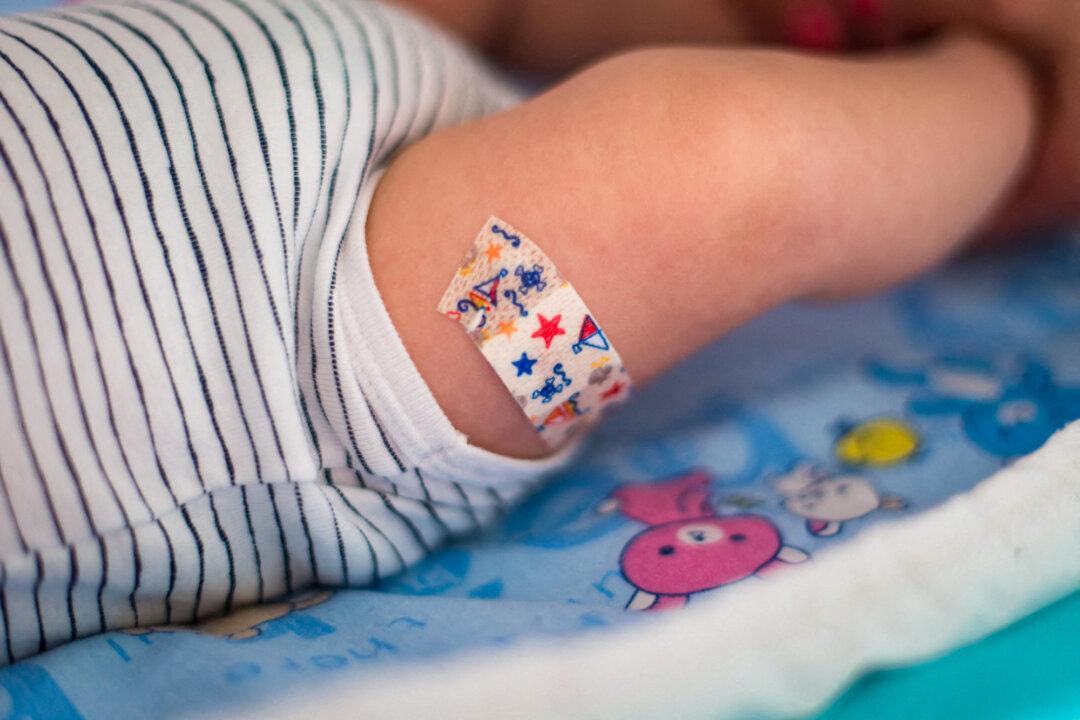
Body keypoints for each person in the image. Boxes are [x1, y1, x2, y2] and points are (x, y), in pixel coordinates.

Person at [0, 0, 1041, 663]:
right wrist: (1011, 87)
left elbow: (739, 174)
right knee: (718, 172)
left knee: (718, 172)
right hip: (260, 277)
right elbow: (736, 176)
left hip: (289, 325)